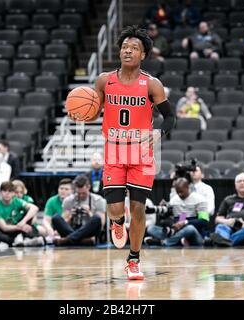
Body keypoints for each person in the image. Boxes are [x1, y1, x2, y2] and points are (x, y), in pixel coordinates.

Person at [67, 25, 176, 280]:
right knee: (116, 208)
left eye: (134, 48)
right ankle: (117, 223)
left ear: (143, 55)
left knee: (138, 208)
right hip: (114, 151)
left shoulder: (152, 84)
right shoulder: (104, 80)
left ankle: (134, 260)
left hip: (142, 153)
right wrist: (80, 113)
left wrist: (159, 133)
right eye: (125, 47)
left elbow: (170, 117)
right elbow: (93, 110)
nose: (127, 51)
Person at [145, 178, 209, 246]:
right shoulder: (175, 200)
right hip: (178, 232)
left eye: (181, 192)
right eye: (177, 192)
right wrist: (162, 211)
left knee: (190, 228)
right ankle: (176, 241)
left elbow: (204, 221)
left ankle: (164, 242)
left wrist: (185, 222)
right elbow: (181, 217)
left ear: (187, 188)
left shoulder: (200, 200)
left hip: (196, 234)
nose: (179, 194)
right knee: (151, 228)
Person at [52, 175, 106, 246]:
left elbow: (101, 224)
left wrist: (89, 213)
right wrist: (70, 216)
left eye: (83, 193)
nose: (81, 196)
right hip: (72, 229)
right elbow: (64, 222)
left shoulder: (98, 200)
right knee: (56, 218)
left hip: (89, 232)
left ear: (88, 187)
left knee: (96, 218)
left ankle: (67, 240)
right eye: (79, 193)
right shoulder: (68, 200)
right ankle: (82, 241)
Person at [0, 181, 44, 247]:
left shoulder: (17, 201)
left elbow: (34, 208)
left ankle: (20, 240)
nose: (7, 194)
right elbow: (4, 227)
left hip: (19, 227)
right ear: (1, 192)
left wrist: (23, 222)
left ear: (13, 193)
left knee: (29, 219)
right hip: (8, 230)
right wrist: (20, 227)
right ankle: (23, 241)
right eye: (4, 191)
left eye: (10, 191)